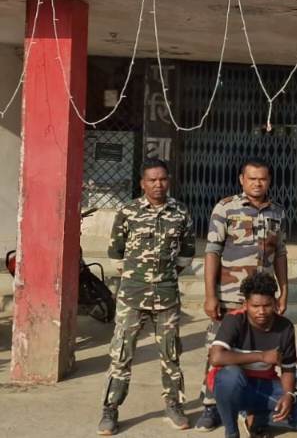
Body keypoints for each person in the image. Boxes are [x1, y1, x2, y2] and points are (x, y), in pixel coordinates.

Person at [98, 159, 195, 435]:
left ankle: (174, 406)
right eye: (152, 180)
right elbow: (116, 253)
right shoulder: (128, 212)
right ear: (142, 183)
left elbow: (186, 253)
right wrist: (137, 277)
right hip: (132, 296)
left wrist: (164, 276)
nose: (158, 184)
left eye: (162, 179)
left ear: (169, 180)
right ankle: (110, 410)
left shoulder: (180, 212)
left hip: (167, 296)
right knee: (121, 355)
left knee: (171, 354)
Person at [195, 158, 289, 432]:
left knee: (252, 350)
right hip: (230, 295)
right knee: (217, 349)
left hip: (262, 299)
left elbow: (280, 254)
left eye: (263, 179)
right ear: (241, 180)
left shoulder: (277, 212)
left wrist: (283, 291)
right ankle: (211, 406)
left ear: (269, 181)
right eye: (252, 178)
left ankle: (245, 402)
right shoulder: (225, 208)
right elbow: (212, 251)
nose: (258, 183)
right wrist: (210, 295)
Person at [210, 272, 297, 438]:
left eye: (267, 305)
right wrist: (261, 356)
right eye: (255, 306)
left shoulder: (285, 327)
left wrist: (288, 395)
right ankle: (231, 432)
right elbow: (216, 358)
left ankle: (255, 419)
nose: (261, 311)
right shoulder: (234, 320)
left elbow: (288, 369)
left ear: (275, 302)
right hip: (234, 386)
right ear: (245, 304)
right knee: (231, 375)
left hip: (264, 385)